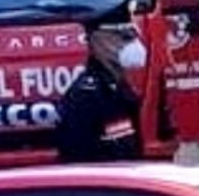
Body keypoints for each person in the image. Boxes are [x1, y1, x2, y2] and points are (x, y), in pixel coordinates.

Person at [55, 13, 146, 164]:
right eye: (124, 37)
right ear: (98, 40)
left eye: (134, 36)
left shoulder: (118, 88)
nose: (133, 44)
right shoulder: (86, 96)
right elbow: (79, 160)